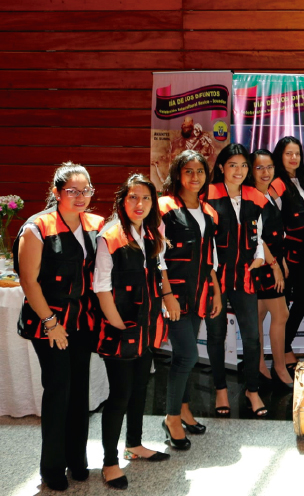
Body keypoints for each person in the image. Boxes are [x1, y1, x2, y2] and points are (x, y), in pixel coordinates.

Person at [14, 163, 104, 491]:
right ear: (56, 193)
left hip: (83, 323)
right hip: (48, 323)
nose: (80, 197)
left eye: (86, 190)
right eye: (72, 191)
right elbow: (28, 281)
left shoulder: (96, 224)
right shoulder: (36, 227)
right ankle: (51, 467)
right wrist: (51, 323)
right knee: (58, 391)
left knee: (80, 392)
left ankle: (77, 460)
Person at [94, 174, 171, 490]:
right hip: (121, 328)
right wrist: (118, 326)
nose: (139, 204)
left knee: (141, 389)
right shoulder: (109, 236)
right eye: (133, 198)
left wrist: (167, 301)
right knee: (120, 395)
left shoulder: (152, 233)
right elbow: (101, 287)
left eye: (146, 198)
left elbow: (160, 269)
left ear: (152, 203)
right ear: (122, 201)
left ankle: (135, 444)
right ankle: (110, 462)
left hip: (148, 326)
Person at [159, 150, 223, 445]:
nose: (195, 177)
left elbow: (210, 256)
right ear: (177, 174)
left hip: (199, 293)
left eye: (200, 171)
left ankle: (184, 410)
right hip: (172, 294)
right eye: (188, 171)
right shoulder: (163, 207)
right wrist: (167, 294)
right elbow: (156, 256)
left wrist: (216, 291)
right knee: (187, 355)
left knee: (183, 357)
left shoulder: (209, 212)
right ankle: (171, 417)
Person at [206, 143, 269, 417]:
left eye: (244, 166)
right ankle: (220, 388)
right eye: (233, 165)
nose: (239, 171)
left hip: (245, 277)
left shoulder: (255, 195)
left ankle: (251, 390)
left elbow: (261, 230)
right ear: (221, 167)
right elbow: (203, 236)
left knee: (253, 338)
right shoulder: (207, 195)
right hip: (215, 279)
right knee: (216, 334)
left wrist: (260, 257)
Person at [269, 136, 304, 377]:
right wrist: (279, 258)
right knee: (283, 307)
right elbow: (272, 222)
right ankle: (283, 354)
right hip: (286, 255)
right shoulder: (276, 183)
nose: (293, 158)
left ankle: (284, 348)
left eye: (297, 153)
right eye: (288, 153)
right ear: (280, 156)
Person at [251, 149, 293, 388]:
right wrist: (275, 265)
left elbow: (276, 232)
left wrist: (282, 259)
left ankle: (259, 366)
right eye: (259, 168)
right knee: (281, 315)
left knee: (260, 315)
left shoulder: (269, 193)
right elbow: (257, 238)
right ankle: (278, 368)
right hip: (263, 264)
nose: (265, 172)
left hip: (273, 260)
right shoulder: (252, 196)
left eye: (269, 168)